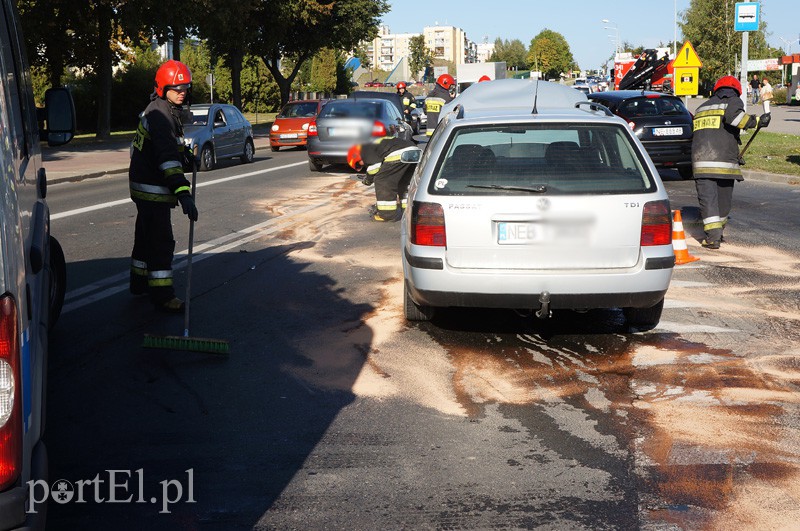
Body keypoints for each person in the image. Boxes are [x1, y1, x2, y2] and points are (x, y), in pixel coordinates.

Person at [128, 59, 198, 313]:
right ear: (162, 88)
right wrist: (184, 194)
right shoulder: (160, 115)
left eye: (185, 88)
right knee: (161, 242)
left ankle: (138, 282)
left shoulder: (162, 108)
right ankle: (162, 295)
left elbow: (169, 148)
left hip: (143, 184)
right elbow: (167, 159)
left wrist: (186, 155)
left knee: (144, 237)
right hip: (152, 188)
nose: (182, 92)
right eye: (176, 88)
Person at [691, 75, 770, 249]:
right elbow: (734, 118)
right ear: (736, 91)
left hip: (701, 163)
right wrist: (757, 121)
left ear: (716, 90)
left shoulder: (701, 107)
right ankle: (716, 235)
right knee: (723, 201)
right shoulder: (733, 101)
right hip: (724, 164)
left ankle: (713, 237)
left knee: (708, 200)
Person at [347, 138, 420, 222]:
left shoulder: (364, 150)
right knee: (403, 182)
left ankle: (387, 215)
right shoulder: (371, 144)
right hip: (414, 151)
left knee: (382, 181)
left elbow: (374, 168)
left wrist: (367, 180)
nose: (362, 165)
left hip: (398, 153)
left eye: (358, 164)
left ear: (355, 156)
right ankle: (408, 209)